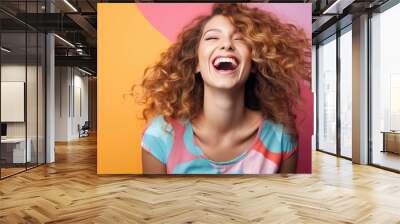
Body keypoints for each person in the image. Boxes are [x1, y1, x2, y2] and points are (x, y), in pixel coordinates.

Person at [138, 3, 310, 174]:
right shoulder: (161, 136)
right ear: (196, 63)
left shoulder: (281, 137)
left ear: (254, 63)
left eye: (240, 38)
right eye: (213, 37)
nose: (227, 44)